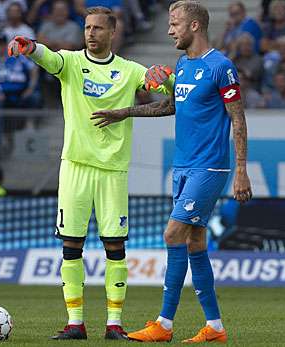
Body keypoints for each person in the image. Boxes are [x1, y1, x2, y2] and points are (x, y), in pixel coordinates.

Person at [91, 1, 253, 343]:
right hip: (183, 166)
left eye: (175, 23)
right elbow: (169, 106)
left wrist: (241, 169)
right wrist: (125, 112)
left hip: (209, 167)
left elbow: (238, 118)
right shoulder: (183, 64)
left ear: (195, 26)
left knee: (172, 234)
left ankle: (163, 324)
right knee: (195, 241)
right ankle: (216, 327)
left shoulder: (221, 67)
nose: (169, 30)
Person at [8, 6, 172, 340]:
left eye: (98, 28)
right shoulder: (71, 63)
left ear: (113, 33)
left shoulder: (128, 71)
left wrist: (166, 77)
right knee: (71, 245)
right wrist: (30, 47)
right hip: (75, 167)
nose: (91, 33)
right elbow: (49, 59)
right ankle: (76, 323)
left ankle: (114, 324)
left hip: (113, 169)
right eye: (87, 27)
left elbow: (165, 93)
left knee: (115, 246)